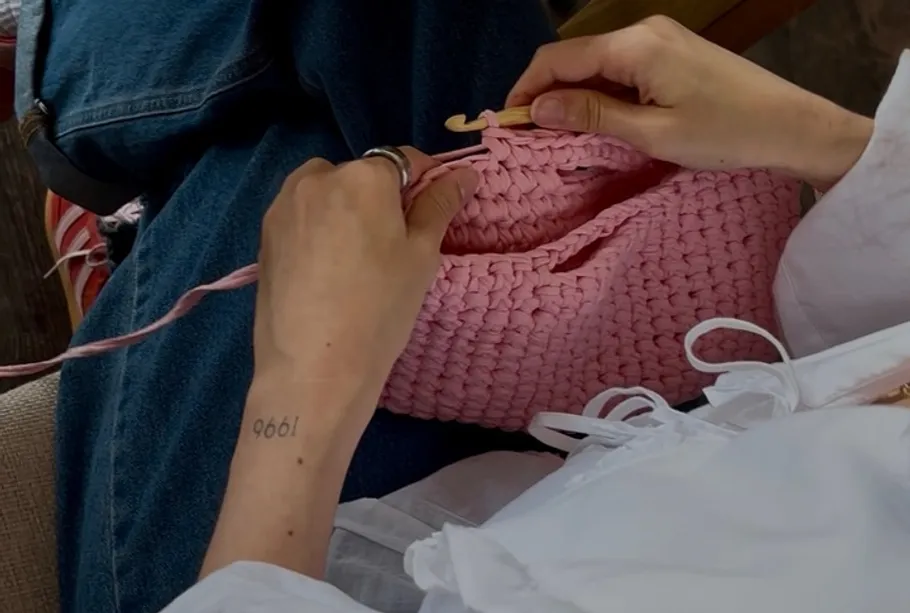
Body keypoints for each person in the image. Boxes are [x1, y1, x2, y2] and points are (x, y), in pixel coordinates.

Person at [13, 0, 907, 610]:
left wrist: (303, 393)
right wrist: (834, 142)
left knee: (290, 160)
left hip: (295, 553)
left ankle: (88, 137)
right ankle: (114, 178)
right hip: (648, 428)